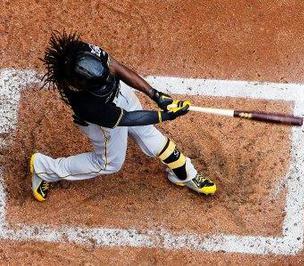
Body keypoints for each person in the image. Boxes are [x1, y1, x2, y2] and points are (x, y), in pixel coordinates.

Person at [30, 31, 216, 202]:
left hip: (120, 96)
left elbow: (116, 68)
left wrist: (156, 95)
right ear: (79, 85)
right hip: (103, 122)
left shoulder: (85, 52)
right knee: (107, 163)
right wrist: (164, 115)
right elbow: (127, 119)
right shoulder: (86, 104)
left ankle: (185, 175)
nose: (108, 81)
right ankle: (43, 168)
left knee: (147, 133)